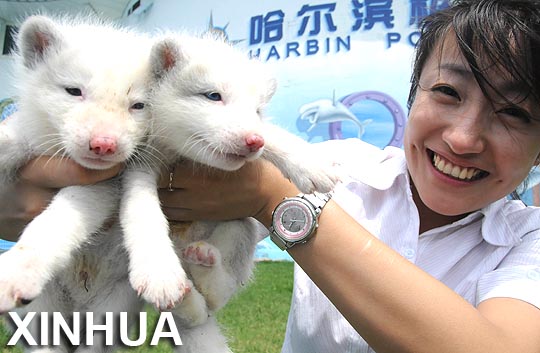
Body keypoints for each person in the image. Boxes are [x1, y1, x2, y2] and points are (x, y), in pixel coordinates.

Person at [2, 0, 540, 352]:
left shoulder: (529, 242)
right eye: (448, 92)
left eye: (514, 113)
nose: (465, 138)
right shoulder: (345, 169)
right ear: (413, 92)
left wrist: (271, 197)